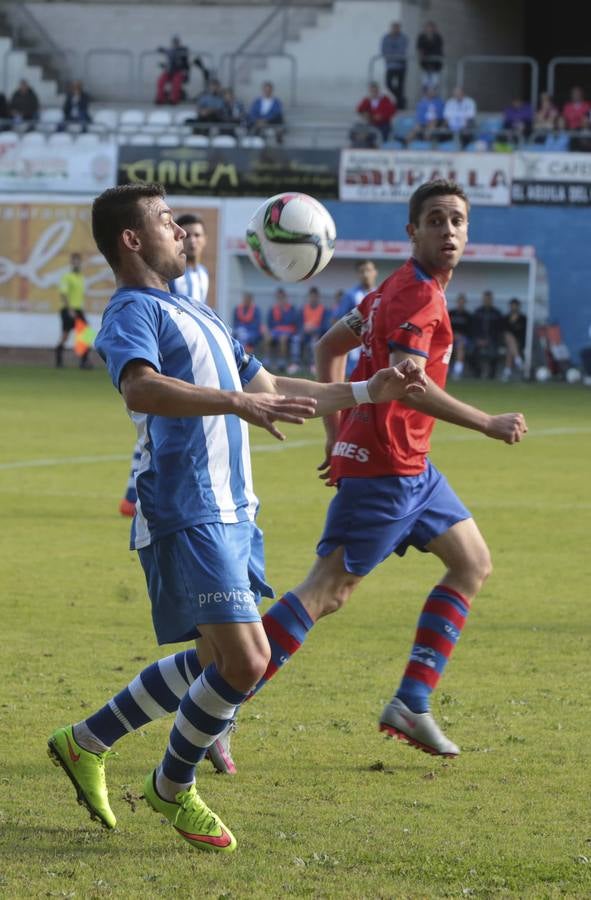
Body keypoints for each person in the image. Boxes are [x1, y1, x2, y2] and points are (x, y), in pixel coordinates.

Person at [46, 181, 425, 851]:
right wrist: (232, 402)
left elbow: (273, 389)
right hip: (186, 504)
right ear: (132, 240)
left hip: (231, 508)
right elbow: (138, 384)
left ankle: (85, 742)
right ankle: (171, 786)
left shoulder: (198, 312)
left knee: (212, 661)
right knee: (247, 662)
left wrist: (368, 389)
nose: (179, 233)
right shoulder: (134, 309)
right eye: (165, 222)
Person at [221, 179, 526, 764]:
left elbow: (325, 349)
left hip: (412, 470)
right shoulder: (416, 296)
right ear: (412, 231)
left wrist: (340, 441)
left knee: (472, 562)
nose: (448, 231)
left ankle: (412, 701)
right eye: (435, 220)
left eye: (457, 220)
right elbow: (411, 386)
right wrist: (486, 422)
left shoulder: (390, 289)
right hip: (389, 469)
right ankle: (221, 706)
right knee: (323, 592)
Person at [120, 212, 209, 517]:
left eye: (199, 235)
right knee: (155, 429)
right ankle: (134, 497)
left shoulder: (202, 275)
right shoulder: (168, 277)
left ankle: (146, 496)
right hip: (165, 364)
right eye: (190, 234)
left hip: (190, 365)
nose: (193, 239)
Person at [333, 259, 378, 376]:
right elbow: (337, 318)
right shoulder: (351, 295)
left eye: (368, 270)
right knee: (354, 375)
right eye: (362, 271)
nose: (365, 274)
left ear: (375, 272)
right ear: (358, 274)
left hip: (376, 342)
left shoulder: (381, 294)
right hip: (355, 344)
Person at [55, 252, 91, 369]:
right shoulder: (67, 277)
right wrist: (69, 309)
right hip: (68, 309)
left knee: (85, 333)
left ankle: (84, 361)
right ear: (71, 262)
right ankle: (59, 358)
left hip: (78, 309)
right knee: (65, 335)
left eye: (78, 260)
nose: (76, 263)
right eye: (74, 260)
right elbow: (63, 294)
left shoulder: (80, 277)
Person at [169, 214, 209, 302]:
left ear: (205, 239)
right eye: (187, 236)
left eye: (197, 235)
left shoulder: (204, 272)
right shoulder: (170, 274)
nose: (192, 241)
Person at [264, 287, 301, 373]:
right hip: (276, 331)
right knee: (267, 337)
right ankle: (267, 360)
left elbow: (293, 322)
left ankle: (282, 361)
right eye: (278, 298)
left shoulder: (291, 308)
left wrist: (283, 312)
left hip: (288, 331)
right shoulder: (273, 309)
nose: (280, 300)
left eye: (282, 298)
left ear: (285, 298)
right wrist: (269, 331)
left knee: (282, 339)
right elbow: (270, 323)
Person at [471, 289, 504, 379]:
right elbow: (473, 329)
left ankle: (491, 374)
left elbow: (499, 330)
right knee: (472, 351)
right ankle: (476, 373)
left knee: (494, 352)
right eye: (486, 299)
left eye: (489, 299)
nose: (487, 301)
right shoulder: (477, 312)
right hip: (478, 340)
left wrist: (489, 340)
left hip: (492, 340)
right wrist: (478, 339)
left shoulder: (497, 313)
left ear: (491, 300)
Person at [380, 21, 408, 109]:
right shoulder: (386, 38)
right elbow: (384, 51)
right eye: (394, 28)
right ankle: (392, 102)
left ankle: (399, 104)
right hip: (390, 66)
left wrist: (393, 56)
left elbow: (402, 51)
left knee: (400, 86)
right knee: (388, 85)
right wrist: (392, 57)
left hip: (401, 66)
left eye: (397, 28)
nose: (395, 30)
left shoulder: (403, 38)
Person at [155, 36, 190, 105]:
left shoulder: (182, 50)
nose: (175, 44)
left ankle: (174, 99)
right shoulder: (170, 51)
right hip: (169, 71)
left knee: (176, 83)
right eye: (174, 42)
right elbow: (163, 50)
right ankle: (160, 98)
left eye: (176, 42)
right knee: (160, 81)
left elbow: (185, 55)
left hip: (178, 72)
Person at [301, 286, 327, 370]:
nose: (313, 299)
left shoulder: (323, 309)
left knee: (314, 342)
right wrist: (304, 328)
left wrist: (315, 329)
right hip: (305, 333)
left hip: (317, 334)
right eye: (311, 296)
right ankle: (295, 363)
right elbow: (299, 324)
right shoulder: (304, 309)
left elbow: (324, 326)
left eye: (314, 297)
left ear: (318, 297)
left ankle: (313, 364)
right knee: (296, 339)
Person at [501, 298, 527, 382]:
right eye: (512, 306)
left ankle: (507, 371)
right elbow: (504, 331)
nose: (514, 308)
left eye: (515, 306)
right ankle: (518, 360)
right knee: (509, 337)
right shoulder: (506, 318)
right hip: (506, 341)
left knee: (510, 348)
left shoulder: (523, 319)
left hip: (519, 342)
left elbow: (523, 332)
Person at [449, 292, 473, 380]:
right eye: (459, 301)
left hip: (463, 339)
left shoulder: (468, 316)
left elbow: (470, 331)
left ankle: (457, 371)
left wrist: (459, 335)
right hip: (450, 338)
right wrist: (453, 335)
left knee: (460, 344)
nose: (461, 303)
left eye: (462, 302)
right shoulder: (451, 313)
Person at [416, 21, 444, 91]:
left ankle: (434, 96)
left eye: (431, 28)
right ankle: (425, 98)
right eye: (428, 28)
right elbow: (420, 47)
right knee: (425, 82)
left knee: (435, 82)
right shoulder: (422, 37)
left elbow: (438, 49)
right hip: (425, 64)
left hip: (435, 64)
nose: (429, 29)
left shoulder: (437, 37)